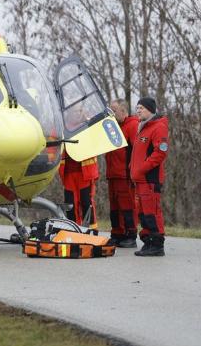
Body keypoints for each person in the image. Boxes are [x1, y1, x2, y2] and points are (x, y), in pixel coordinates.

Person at [129, 97, 169, 257]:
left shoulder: (158, 127)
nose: (138, 110)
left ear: (150, 110)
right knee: (143, 212)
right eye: (137, 108)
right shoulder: (142, 127)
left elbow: (160, 152)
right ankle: (148, 242)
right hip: (139, 179)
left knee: (152, 211)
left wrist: (142, 168)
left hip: (149, 179)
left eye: (142, 108)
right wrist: (132, 168)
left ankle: (157, 244)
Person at [59, 101, 99, 229]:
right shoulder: (62, 127)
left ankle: (92, 230)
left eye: (81, 110)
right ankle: (73, 229)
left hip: (85, 173)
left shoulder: (88, 125)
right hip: (68, 173)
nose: (79, 113)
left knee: (87, 202)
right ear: (69, 112)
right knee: (70, 204)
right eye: (76, 111)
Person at [105, 99, 140, 247]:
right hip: (113, 173)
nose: (111, 113)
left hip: (124, 174)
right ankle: (117, 233)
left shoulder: (132, 125)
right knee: (114, 206)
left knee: (127, 205)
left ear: (123, 110)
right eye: (110, 110)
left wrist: (133, 172)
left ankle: (130, 235)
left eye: (114, 110)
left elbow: (137, 151)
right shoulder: (113, 126)